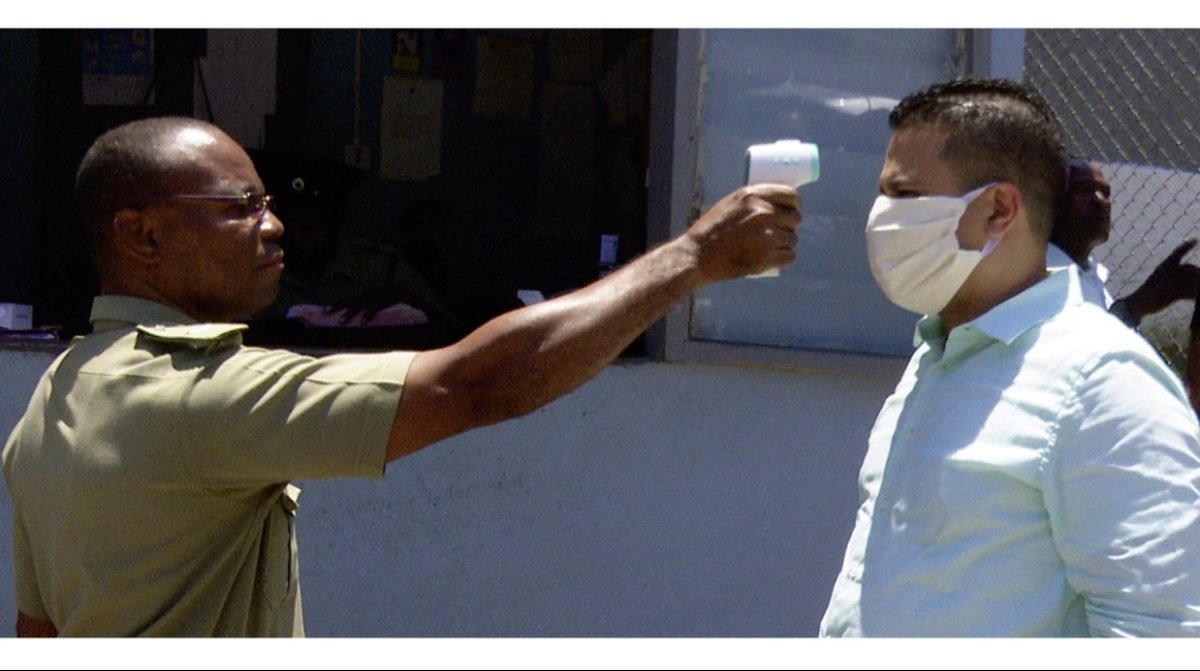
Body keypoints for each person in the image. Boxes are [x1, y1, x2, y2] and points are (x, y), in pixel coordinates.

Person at [2, 117, 800, 637]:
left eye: (267, 202)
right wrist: (691, 257)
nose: (273, 225)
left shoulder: (55, 398)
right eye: (240, 206)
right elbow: (475, 384)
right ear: (142, 235)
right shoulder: (195, 392)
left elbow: (38, 634)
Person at [821, 78, 1200, 636]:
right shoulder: (939, 355)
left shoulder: (1100, 381)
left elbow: (1160, 631)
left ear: (998, 210)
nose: (880, 217)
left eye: (904, 196)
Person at [1049, 155, 1200, 323]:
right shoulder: (1045, 277)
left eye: (1106, 193)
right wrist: (1135, 305)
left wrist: (1137, 306)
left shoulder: (1090, 273)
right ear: (1049, 202)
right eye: (1084, 189)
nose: (1102, 201)